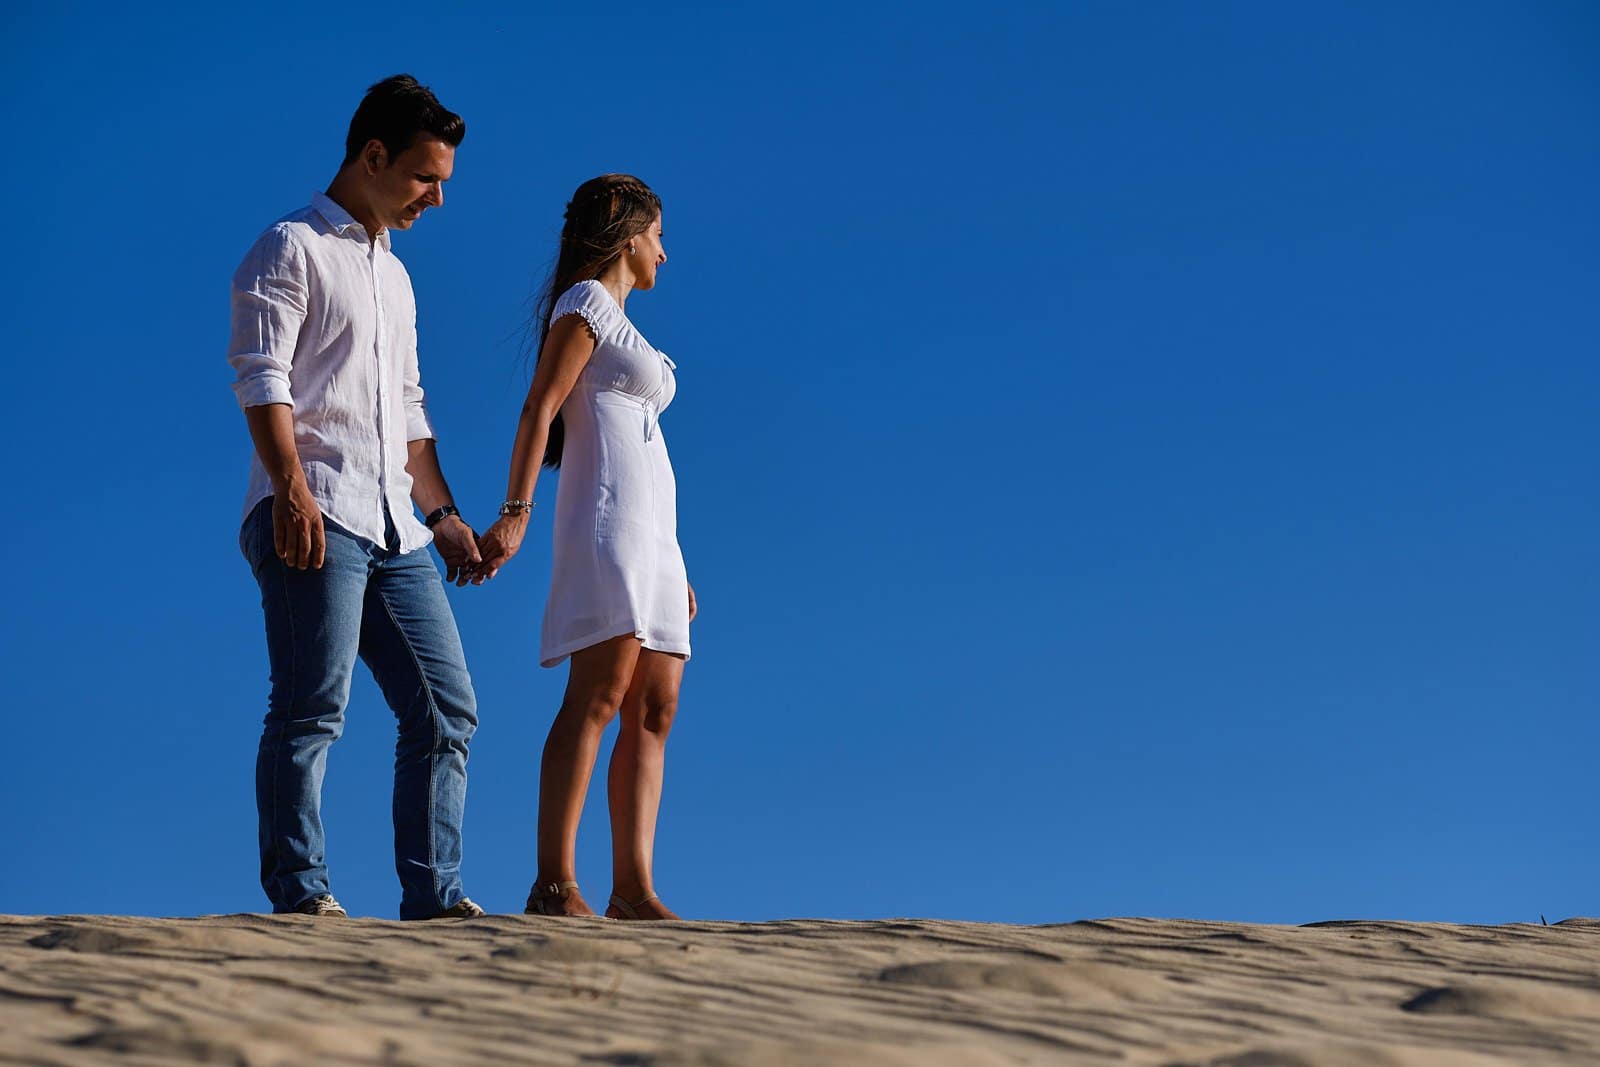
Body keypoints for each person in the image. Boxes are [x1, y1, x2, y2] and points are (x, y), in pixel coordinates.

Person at [227, 75, 484, 920]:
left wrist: (442, 516)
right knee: (311, 707)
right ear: (373, 156)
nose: (438, 198)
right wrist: (292, 489)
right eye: (423, 177)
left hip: (395, 528)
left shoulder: (398, 279)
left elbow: (408, 410)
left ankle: (436, 897)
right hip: (315, 511)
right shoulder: (289, 246)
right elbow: (263, 378)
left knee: (448, 705)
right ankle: (302, 895)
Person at [473, 174, 694, 921]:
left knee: (656, 703)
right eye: (658, 233)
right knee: (599, 691)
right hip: (607, 521)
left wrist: (676, 556)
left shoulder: (632, 330)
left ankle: (633, 887)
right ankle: (553, 882)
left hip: (655, 533)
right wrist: (515, 510)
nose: (665, 249)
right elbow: (540, 405)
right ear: (629, 236)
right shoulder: (587, 304)